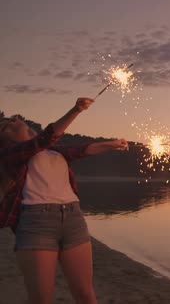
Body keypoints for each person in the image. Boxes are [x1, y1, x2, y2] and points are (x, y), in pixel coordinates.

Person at [0, 98, 128, 304]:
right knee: (41, 299)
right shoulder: (10, 155)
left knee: (86, 295)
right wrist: (75, 110)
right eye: (7, 124)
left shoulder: (54, 152)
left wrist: (111, 144)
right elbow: (45, 138)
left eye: (14, 119)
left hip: (73, 219)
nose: (15, 121)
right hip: (36, 224)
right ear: (4, 138)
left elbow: (83, 149)